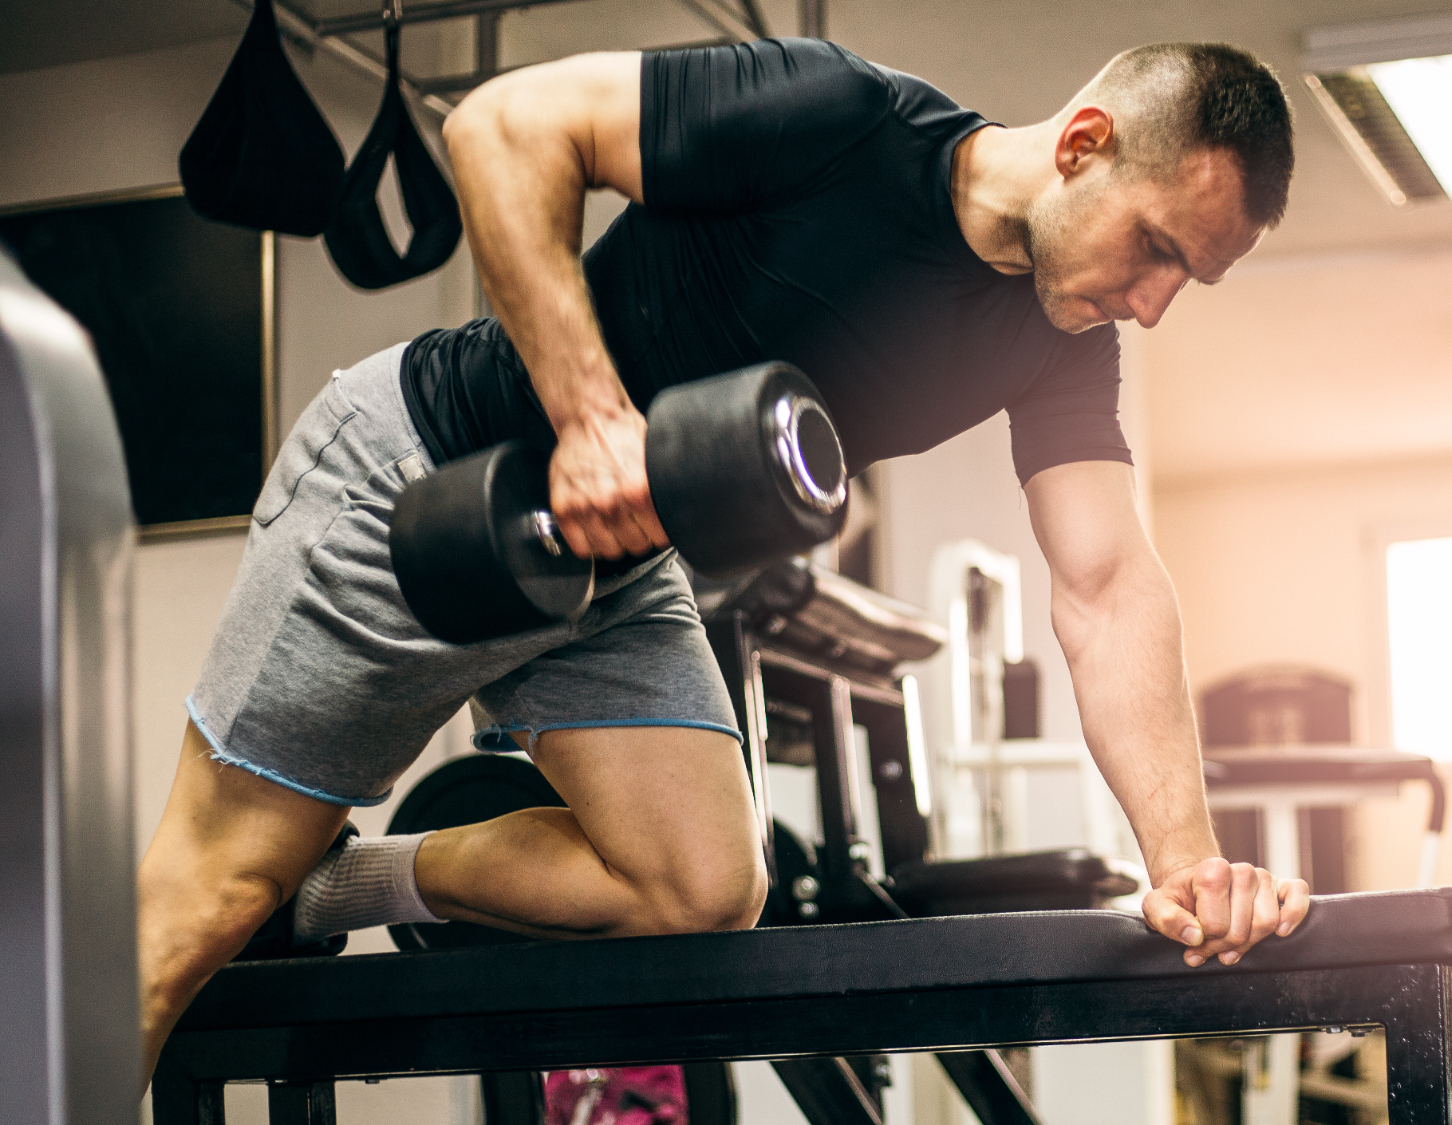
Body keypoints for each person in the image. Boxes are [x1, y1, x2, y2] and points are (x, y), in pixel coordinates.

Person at [137, 36, 1311, 1079]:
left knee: (695, 888)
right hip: (424, 472)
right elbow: (502, 125)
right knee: (208, 901)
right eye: (1154, 247)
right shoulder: (839, 116)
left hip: (605, 569)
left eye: (1187, 279)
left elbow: (1106, 587)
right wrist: (592, 418)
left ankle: (336, 888)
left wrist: (1185, 862)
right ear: (1083, 144)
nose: (1151, 304)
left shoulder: (1063, 344)